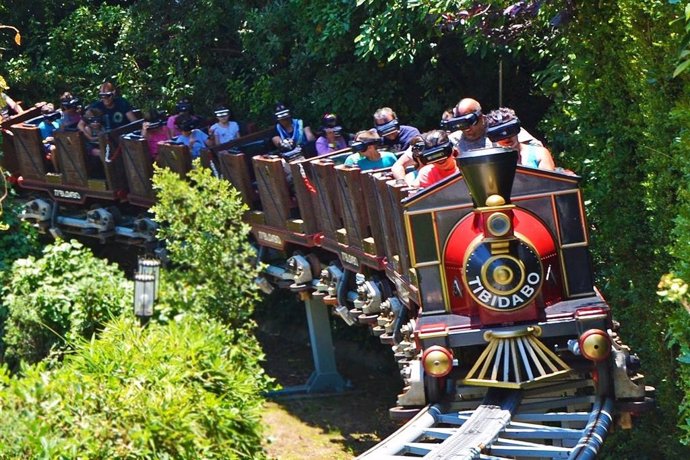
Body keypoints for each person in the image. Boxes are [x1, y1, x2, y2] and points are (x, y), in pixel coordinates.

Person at [486, 107, 555, 171]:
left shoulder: (539, 154)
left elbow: (549, 183)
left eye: (510, 130)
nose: (507, 137)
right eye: (499, 134)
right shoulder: (489, 161)